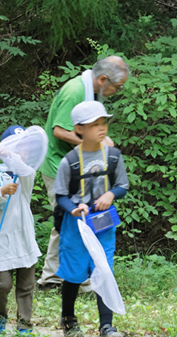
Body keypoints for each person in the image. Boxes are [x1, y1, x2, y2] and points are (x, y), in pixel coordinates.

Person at [38, 56, 130, 288]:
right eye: (117, 87)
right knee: (68, 220)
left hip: (85, 169)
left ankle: (71, 275)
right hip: (61, 166)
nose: (117, 92)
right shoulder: (75, 91)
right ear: (102, 79)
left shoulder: (91, 91)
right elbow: (59, 130)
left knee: (82, 219)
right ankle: (55, 277)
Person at [54, 101, 128, 337]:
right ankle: (68, 320)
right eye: (94, 124)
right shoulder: (70, 161)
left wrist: (110, 194)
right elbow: (61, 196)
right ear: (79, 129)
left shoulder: (114, 157)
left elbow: (122, 186)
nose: (101, 128)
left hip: (104, 223)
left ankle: (106, 325)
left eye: (103, 122)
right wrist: (73, 209)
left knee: (103, 271)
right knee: (74, 273)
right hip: (76, 225)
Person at [0, 126, 41, 336]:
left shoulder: (27, 172)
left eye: (26, 148)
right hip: (2, 236)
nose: (24, 152)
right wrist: (1, 192)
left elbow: (23, 169)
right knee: (2, 283)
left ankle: (24, 324)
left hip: (24, 235)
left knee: (26, 284)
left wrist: (12, 155)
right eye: (18, 147)